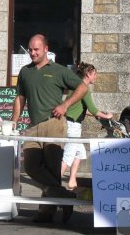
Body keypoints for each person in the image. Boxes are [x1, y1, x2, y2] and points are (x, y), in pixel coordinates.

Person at [12, 34, 88, 223]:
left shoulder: (58, 70)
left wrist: (65, 105)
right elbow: (20, 98)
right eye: (30, 49)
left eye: (36, 49)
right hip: (33, 126)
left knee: (52, 169)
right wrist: (14, 120)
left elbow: (82, 87)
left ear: (46, 49)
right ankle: (66, 196)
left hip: (54, 123)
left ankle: (46, 212)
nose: (32, 53)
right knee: (30, 166)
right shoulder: (25, 71)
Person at [61, 62, 113, 190]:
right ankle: (53, 184)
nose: (96, 77)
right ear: (88, 74)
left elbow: (84, 108)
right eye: (95, 74)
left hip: (70, 123)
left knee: (80, 153)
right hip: (72, 125)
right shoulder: (84, 88)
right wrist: (107, 116)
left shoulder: (77, 86)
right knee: (68, 156)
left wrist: (97, 115)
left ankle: (72, 181)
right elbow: (93, 109)